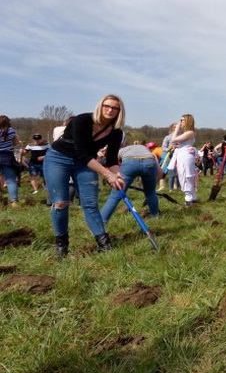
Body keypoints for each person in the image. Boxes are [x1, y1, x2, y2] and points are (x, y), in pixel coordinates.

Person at [43, 94, 126, 257]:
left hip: (84, 163)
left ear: (119, 112)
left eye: (115, 108)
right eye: (106, 106)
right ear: (100, 106)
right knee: (61, 203)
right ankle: (61, 245)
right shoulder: (82, 120)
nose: (110, 110)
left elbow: (112, 159)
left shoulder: (116, 132)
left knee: (90, 203)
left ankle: (104, 244)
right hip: (58, 158)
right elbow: (82, 152)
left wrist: (118, 175)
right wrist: (107, 174)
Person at [101, 143, 161, 223]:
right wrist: (153, 184)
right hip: (149, 162)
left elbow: (111, 163)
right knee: (151, 193)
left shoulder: (121, 151)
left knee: (115, 196)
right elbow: (160, 173)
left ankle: (102, 221)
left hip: (130, 163)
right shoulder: (148, 152)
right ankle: (155, 217)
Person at [169, 114, 197, 207]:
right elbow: (179, 142)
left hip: (186, 156)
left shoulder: (190, 132)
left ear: (188, 122)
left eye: (182, 120)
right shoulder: (187, 133)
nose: (180, 123)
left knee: (186, 175)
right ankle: (192, 197)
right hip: (183, 154)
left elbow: (173, 139)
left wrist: (176, 129)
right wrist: (178, 146)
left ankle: (188, 198)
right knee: (184, 174)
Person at [0, 115, 21, 208]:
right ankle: (14, 202)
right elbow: (16, 143)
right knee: (10, 180)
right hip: (7, 157)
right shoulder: (11, 131)